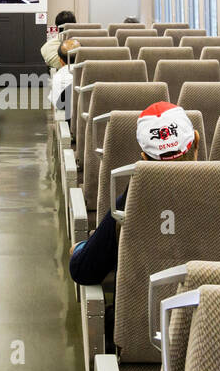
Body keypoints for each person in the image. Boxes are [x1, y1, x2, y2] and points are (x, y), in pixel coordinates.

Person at [68, 102, 198, 286]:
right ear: (197, 142)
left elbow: (83, 270)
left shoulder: (127, 206)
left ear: (144, 158)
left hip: (141, 313)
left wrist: (81, 248)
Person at [48, 38, 80, 115]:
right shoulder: (97, 72)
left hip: (70, 122)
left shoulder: (59, 77)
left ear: (61, 61)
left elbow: (57, 104)